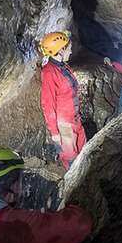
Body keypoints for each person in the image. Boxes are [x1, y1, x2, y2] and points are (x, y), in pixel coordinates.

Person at [38, 31, 86, 171]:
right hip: (64, 125)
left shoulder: (64, 67)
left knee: (84, 152)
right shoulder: (49, 72)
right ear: (60, 50)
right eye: (68, 47)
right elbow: (48, 104)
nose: (71, 51)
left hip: (75, 119)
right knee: (71, 158)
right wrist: (54, 132)